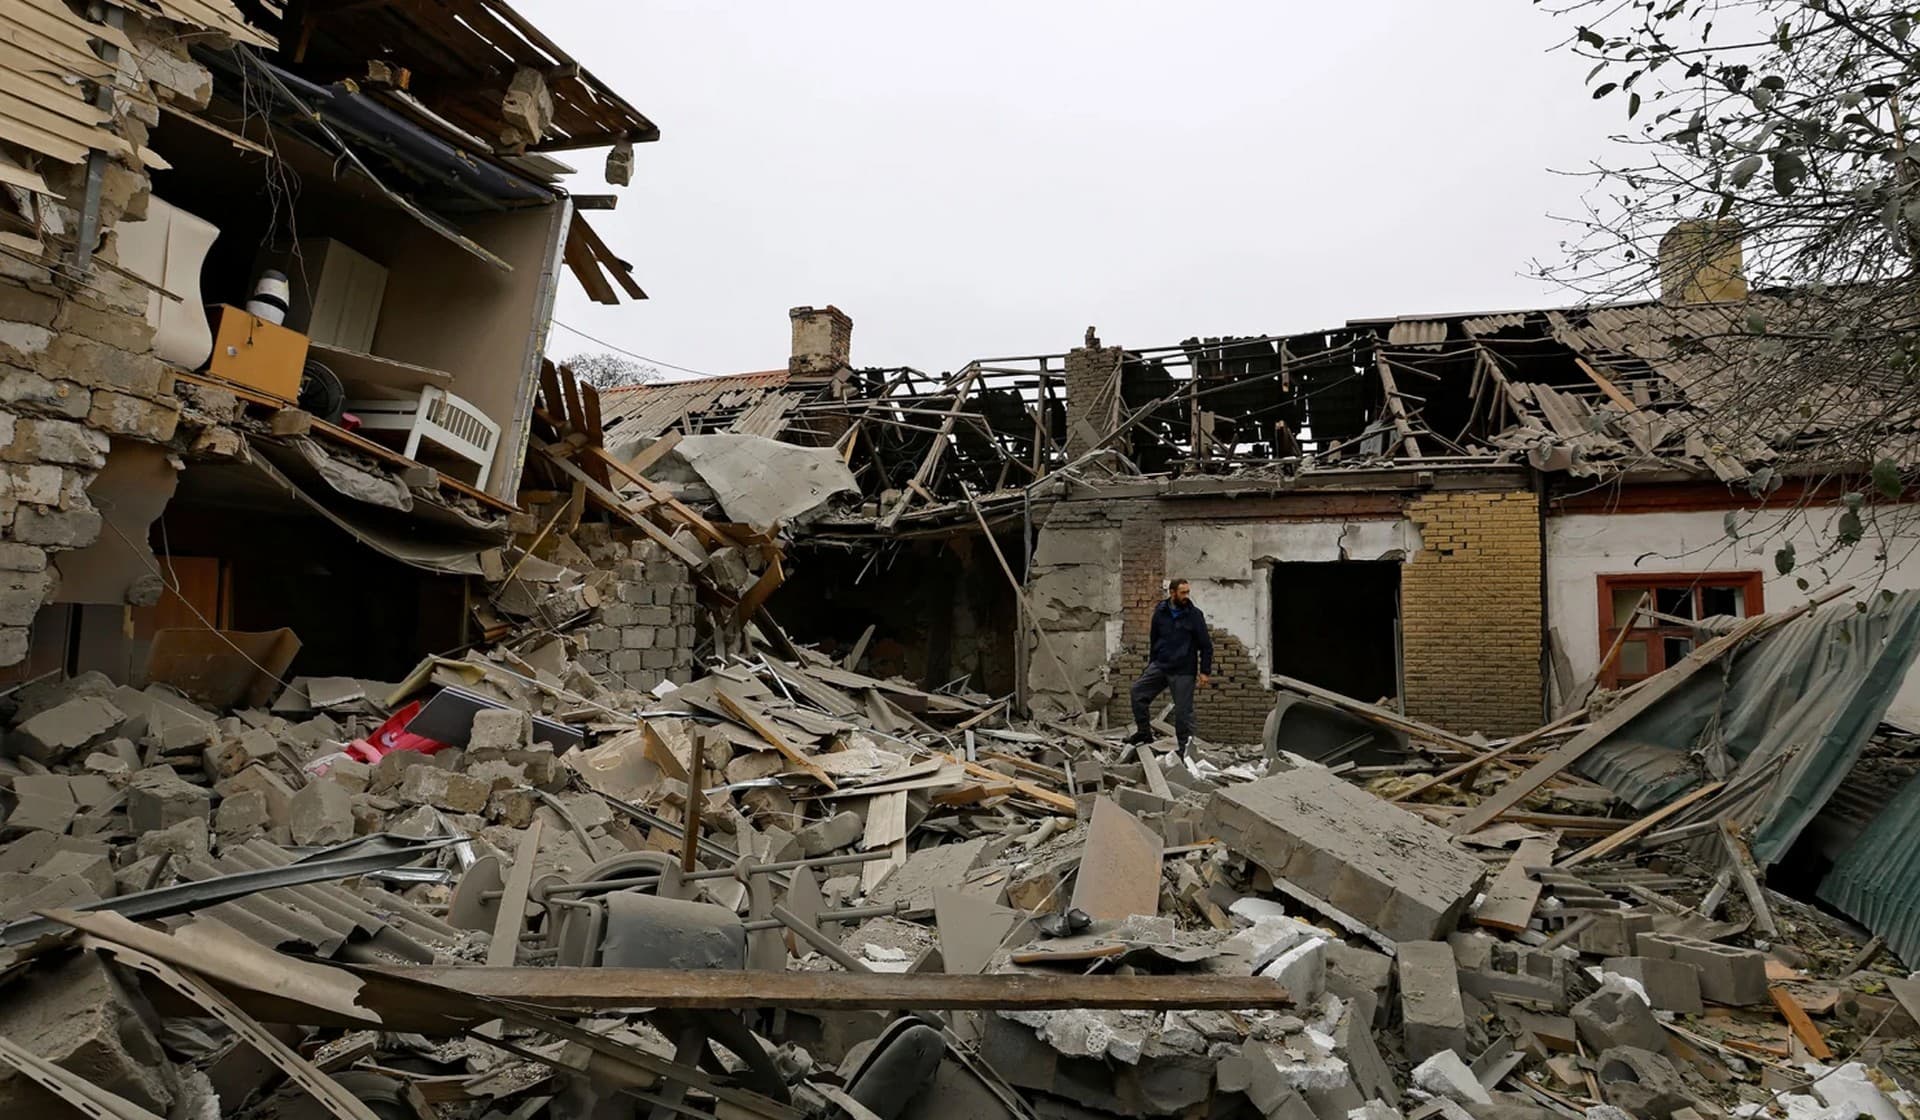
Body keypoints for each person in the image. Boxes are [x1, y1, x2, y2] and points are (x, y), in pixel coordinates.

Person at [1126, 578, 1213, 756]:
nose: (1186, 596)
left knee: (1183, 714)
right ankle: (1144, 733)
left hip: (1184, 670)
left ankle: (1185, 751)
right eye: (1183, 592)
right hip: (1161, 665)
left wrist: (1205, 671)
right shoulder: (1160, 612)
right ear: (1172, 592)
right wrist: (1152, 663)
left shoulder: (1195, 615)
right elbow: (1154, 639)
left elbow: (1206, 645)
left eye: (1188, 592)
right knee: (1137, 692)